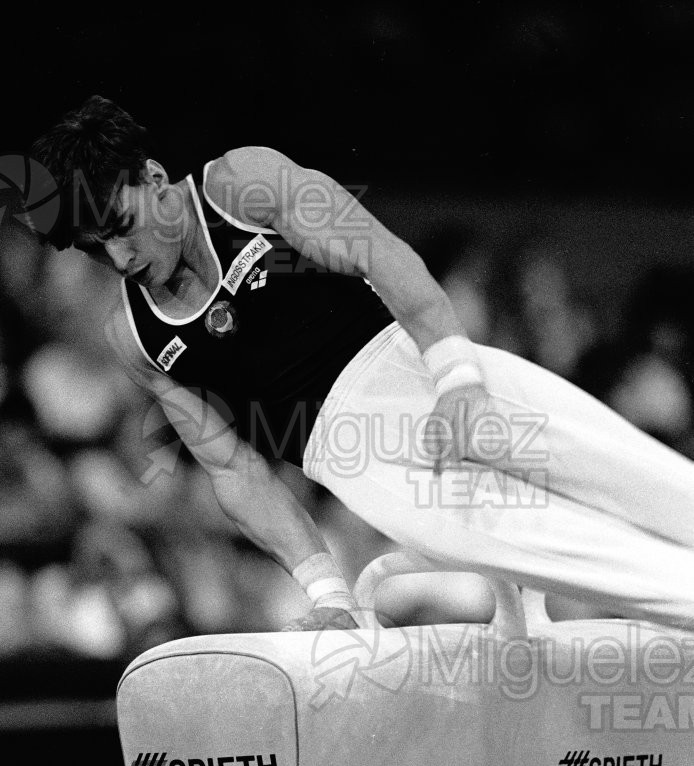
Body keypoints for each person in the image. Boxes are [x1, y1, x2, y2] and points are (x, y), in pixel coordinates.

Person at [30, 96, 694, 631]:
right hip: (365, 468)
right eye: (94, 250)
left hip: (420, 362)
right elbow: (235, 467)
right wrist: (325, 588)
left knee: (644, 476)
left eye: (119, 227)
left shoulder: (242, 183)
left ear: (151, 178)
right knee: (595, 558)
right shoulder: (136, 335)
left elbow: (376, 250)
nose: (119, 260)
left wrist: (457, 378)